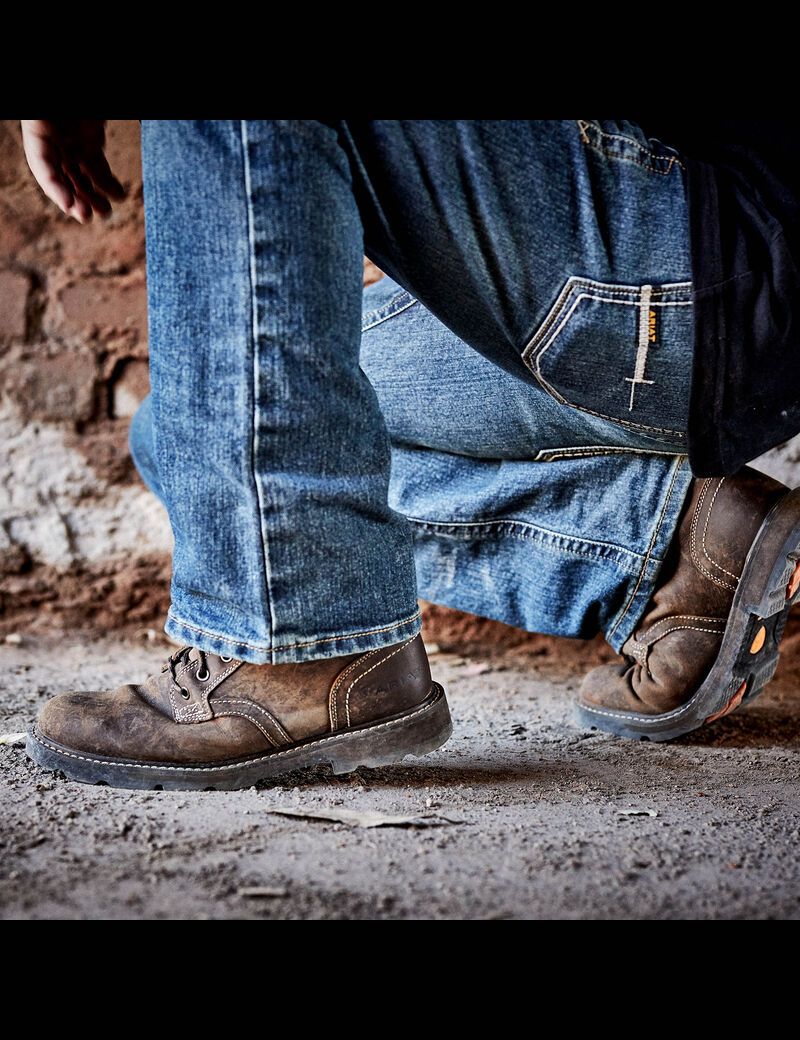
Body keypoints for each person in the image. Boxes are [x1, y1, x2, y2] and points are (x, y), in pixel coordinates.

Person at [18, 119, 800, 791]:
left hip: (696, 267)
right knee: (193, 431)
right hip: (705, 290)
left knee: (237, 426)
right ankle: (668, 550)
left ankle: (290, 645)